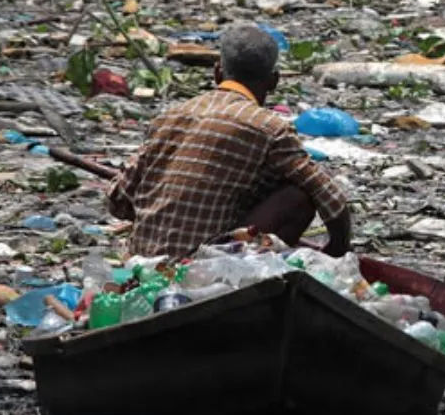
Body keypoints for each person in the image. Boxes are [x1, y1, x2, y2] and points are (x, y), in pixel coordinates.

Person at [106, 23, 352, 258]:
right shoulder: (269, 127)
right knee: (298, 196)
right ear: (274, 81)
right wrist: (337, 250)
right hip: (204, 266)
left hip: (141, 260)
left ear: (217, 72)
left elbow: (118, 201)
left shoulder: (169, 117)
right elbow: (331, 198)